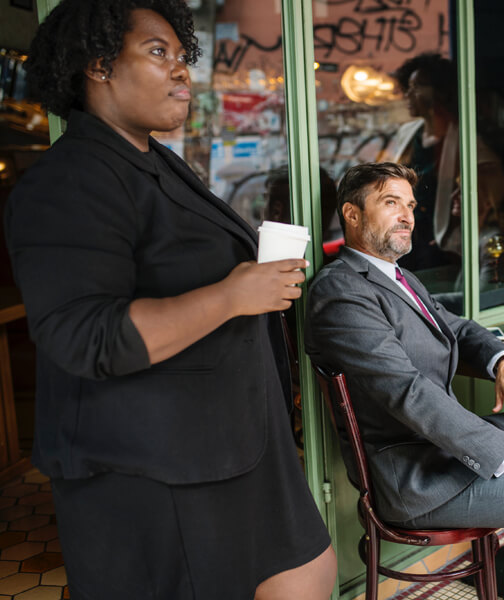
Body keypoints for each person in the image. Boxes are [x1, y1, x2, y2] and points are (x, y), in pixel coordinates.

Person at [4, 1, 336, 597]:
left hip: (227, 448)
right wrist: (233, 294)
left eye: (183, 56)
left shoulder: (151, 160)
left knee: (307, 572)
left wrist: (250, 282)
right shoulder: (69, 180)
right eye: (158, 53)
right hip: (155, 472)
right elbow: (86, 336)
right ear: (97, 66)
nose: (182, 71)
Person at [304, 162, 504, 600]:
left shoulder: (398, 276)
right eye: (391, 203)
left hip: (440, 453)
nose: (408, 216)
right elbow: (407, 393)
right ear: (352, 215)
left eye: (410, 205)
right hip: (414, 478)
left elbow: (462, 327)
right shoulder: (341, 293)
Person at [381, 52, 504, 272]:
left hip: (439, 244)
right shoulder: (408, 134)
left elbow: (489, 179)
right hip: (404, 235)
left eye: (416, 86)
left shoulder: (463, 137)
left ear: (439, 92)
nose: (408, 94)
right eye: (408, 86)